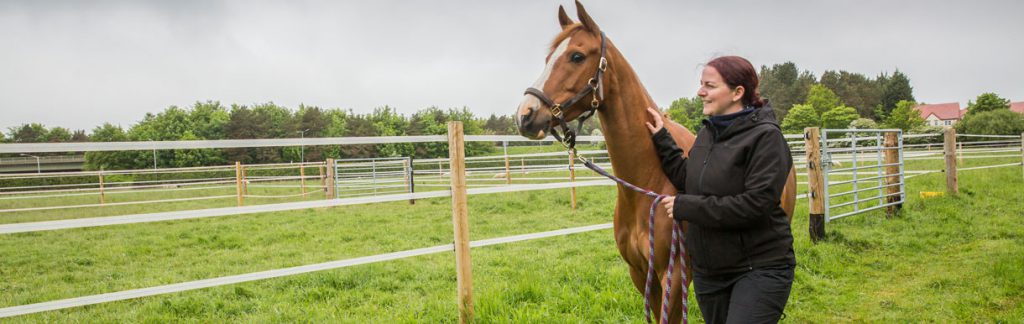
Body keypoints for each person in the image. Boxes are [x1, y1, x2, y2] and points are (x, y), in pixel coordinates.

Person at [644, 56, 796, 323]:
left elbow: (755, 205)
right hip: (710, 273)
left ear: (738, 92)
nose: (700, 92)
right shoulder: (708, 135)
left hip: (758, 268)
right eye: (701, 84)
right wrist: (661, 138)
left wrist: (686, 207)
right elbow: (687, 177)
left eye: (710, 86)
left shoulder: (766, 138)